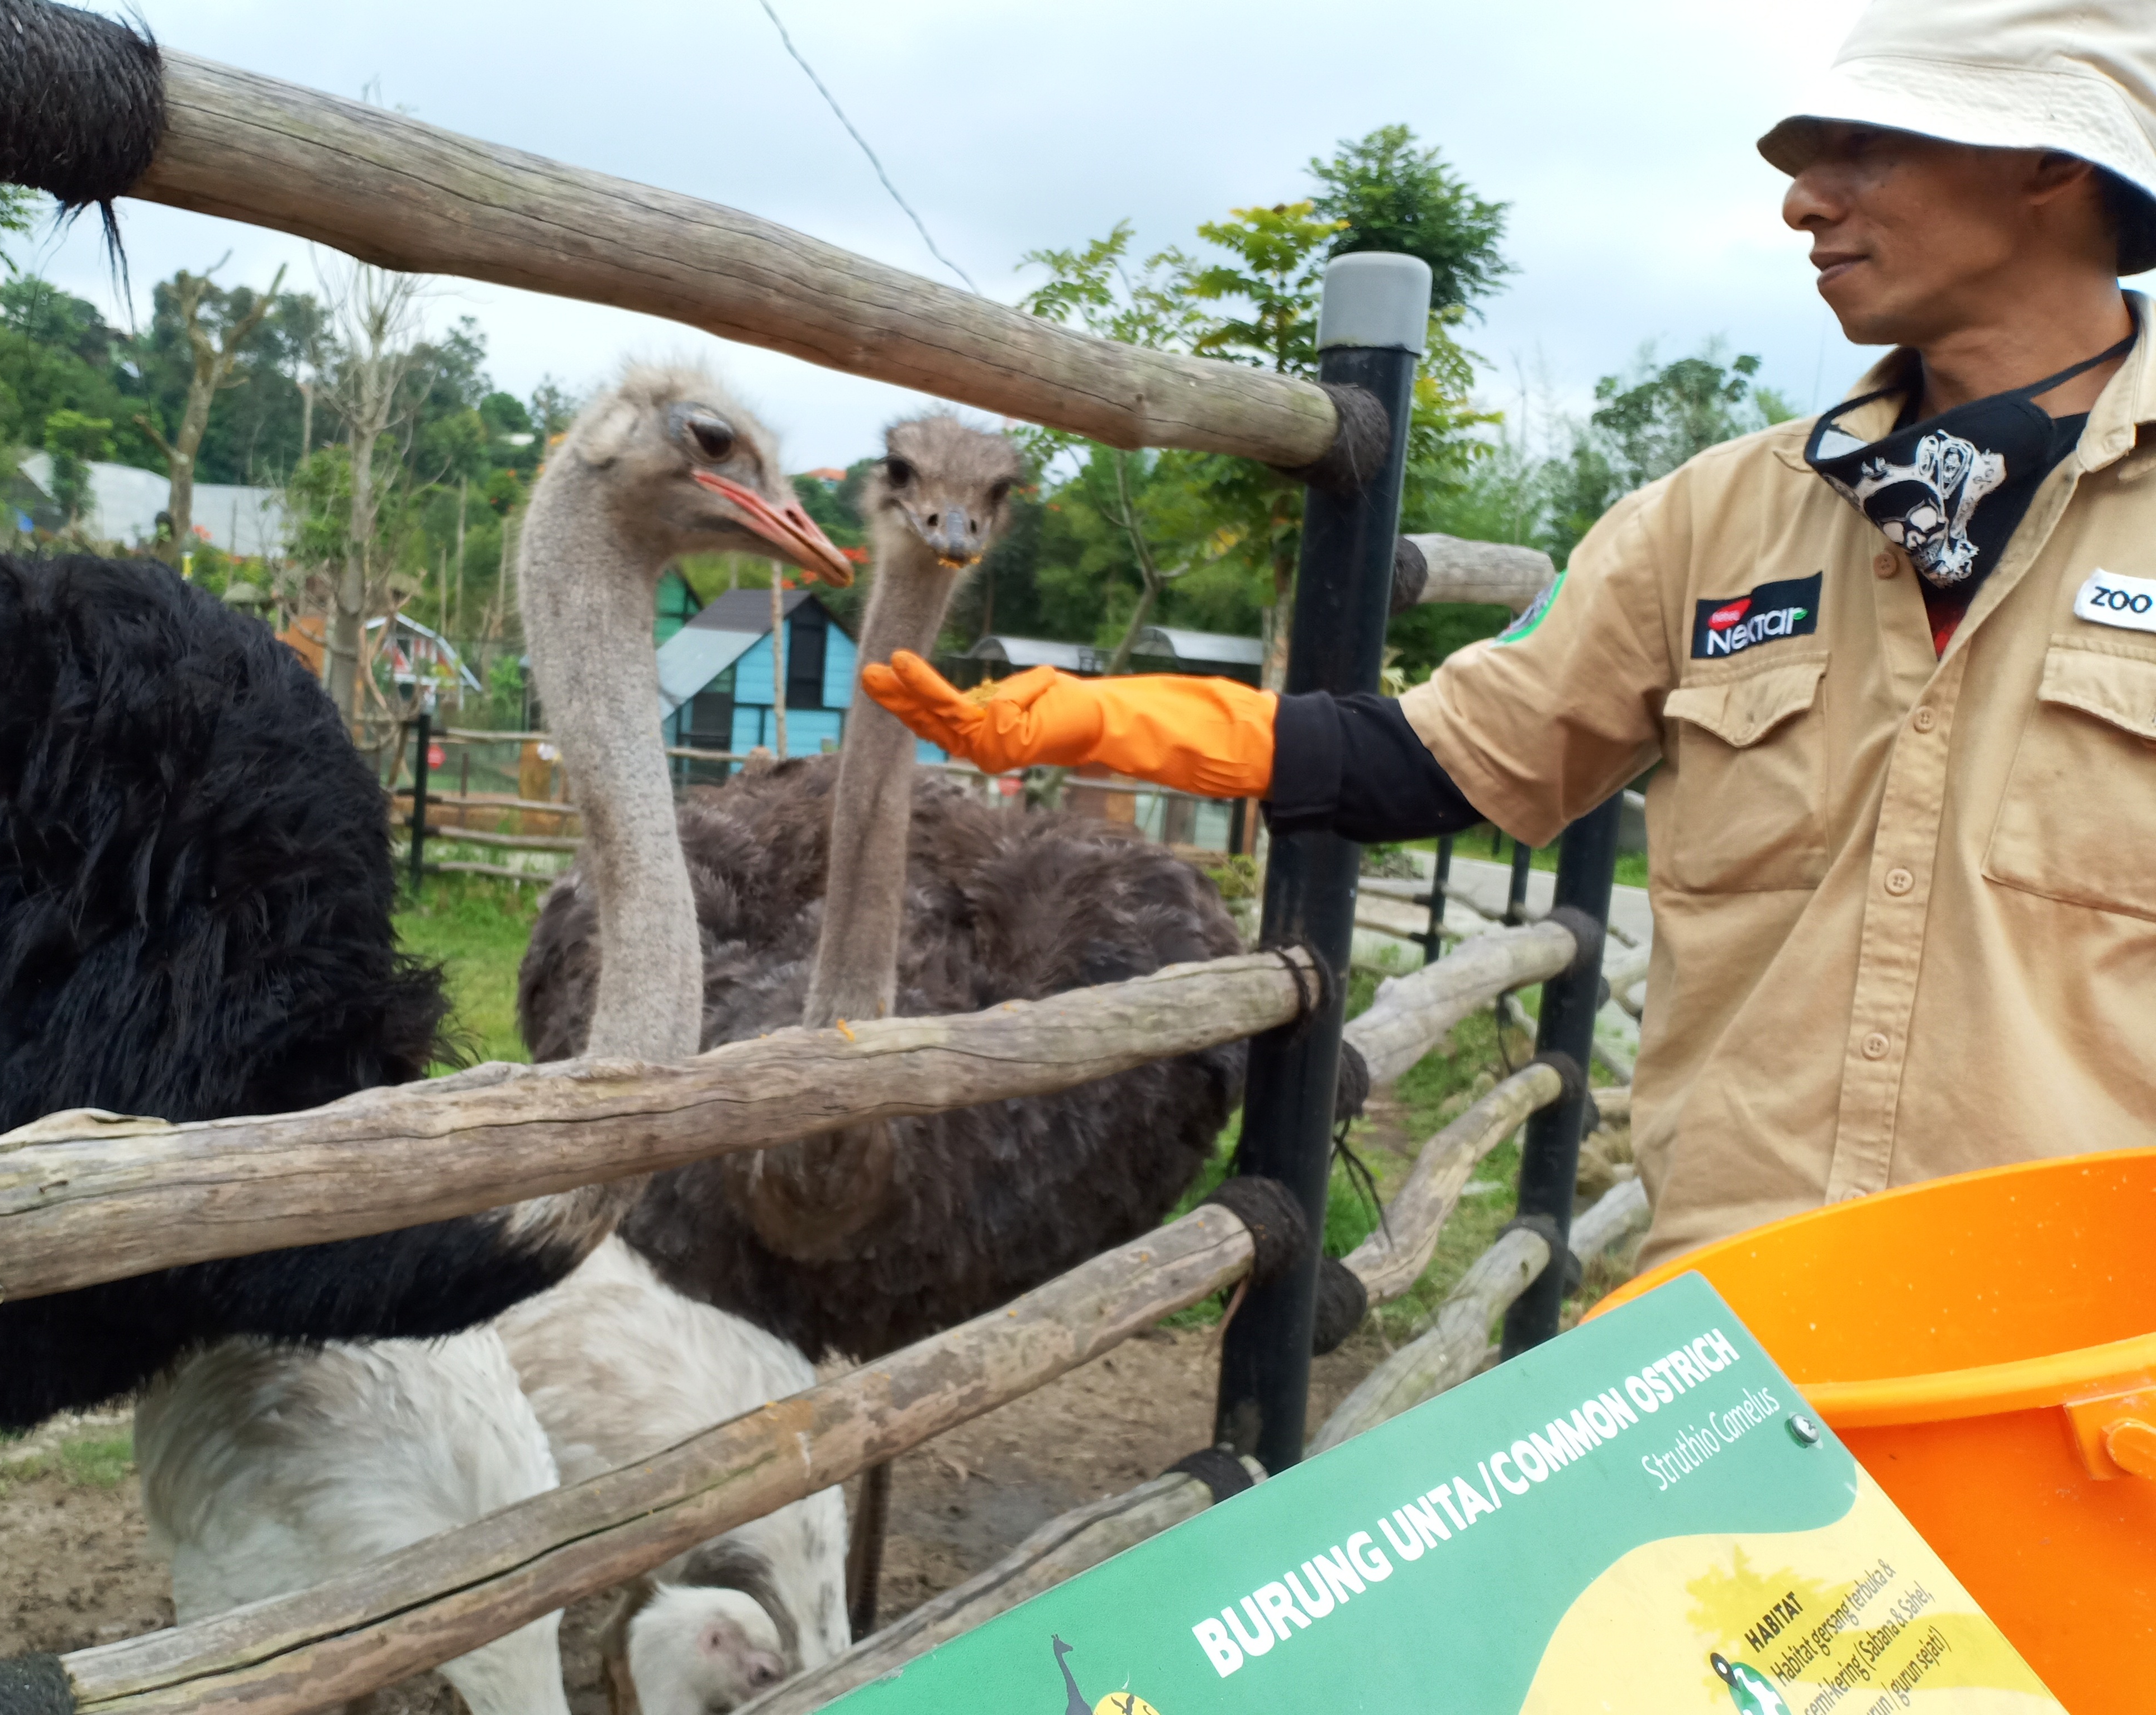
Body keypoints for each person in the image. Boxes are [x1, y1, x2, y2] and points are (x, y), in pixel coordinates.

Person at [860, 0, 2156, 1270]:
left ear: (2051, 158)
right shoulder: (1710, 522)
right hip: (1751, 1323)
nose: (1801, 202)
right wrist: (1110, 716)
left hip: (2092, 1358)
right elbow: (1438, 758)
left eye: (1865, 149)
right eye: (1803, 162)